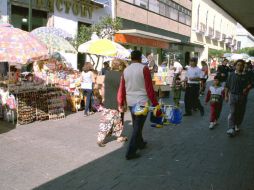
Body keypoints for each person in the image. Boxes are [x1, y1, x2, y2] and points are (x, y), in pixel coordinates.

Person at [118, 50, 161, 160]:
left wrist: (121, 101)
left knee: (136, 124)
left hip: (131, 101)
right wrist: (155, 103)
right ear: (140, 58)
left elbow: (122, 88)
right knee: (138, 126)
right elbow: (149, 88)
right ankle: (131, 152)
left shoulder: (126, 70)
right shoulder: (144, 68)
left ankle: (140, 142)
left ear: (131, 58)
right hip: (142, 101)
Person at [97, 59, 127, 147]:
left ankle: (119, 136)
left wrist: (102, 97)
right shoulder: (121, 76)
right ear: (120, 66)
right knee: (107, 120)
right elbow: (122, 91)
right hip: (116, 101)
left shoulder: (108, 74)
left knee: (117, 120)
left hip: (108, 99)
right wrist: (122, 103)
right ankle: (100, 139)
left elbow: (103, 87)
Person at [225, 59, 252, 136]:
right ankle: (231, 128)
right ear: (235, 66)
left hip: (243, 96)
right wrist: (226, 96)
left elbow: (251, 84)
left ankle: (237, 124)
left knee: (240, 112)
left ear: (243, 66)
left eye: (241, 65)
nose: (239, 66)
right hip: (233, 95)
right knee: (232, 112)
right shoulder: (231, 75)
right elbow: (227, 86)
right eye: (238, 65)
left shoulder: (246, 75)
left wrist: (247, 88)